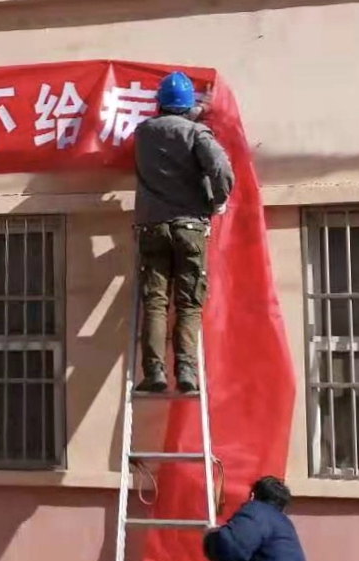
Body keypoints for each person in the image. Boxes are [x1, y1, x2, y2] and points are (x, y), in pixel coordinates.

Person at [133, 70, 235, 395]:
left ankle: (154, 372)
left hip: (152, 226)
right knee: (188, 303)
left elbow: (167, 128)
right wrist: (218, 200)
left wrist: (194, 114)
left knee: (155, 301)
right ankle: (186, 372)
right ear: (188, 105)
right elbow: (220, 168)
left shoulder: (143, 133)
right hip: (190, 226)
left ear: (159, 103)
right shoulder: (197, 133)